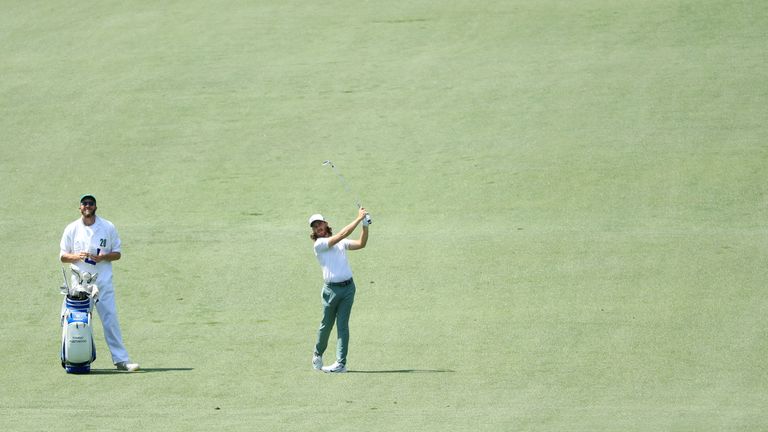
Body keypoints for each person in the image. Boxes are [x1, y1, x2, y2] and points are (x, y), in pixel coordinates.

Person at [59, 194, 139, 372]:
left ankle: (121, 360)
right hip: (79, 286)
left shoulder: (107, 227)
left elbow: (117, 253)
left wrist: (104, 257)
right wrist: (76, 256)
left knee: (110, 320)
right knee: (72, 321)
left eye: (91, 204)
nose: (87, 206)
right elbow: (63, 256)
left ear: (95, 207)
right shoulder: (72, 229)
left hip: (102, 283)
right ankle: (71, 358)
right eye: (84, 204)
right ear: (80, 207)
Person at [309, 208, 370, 373]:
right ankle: (318, 353)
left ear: (325, 224)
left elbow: (361, 244)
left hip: (348, 289)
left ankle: (341, 364)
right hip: (331, 291)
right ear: (314, 231)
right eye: (315, 227)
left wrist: (365, 225)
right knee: (326, 325)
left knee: (343, 325)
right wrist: (358, 218)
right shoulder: (319, 244)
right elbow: (342, 234)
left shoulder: (340, 243)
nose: (318, 228)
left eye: (320, 224)